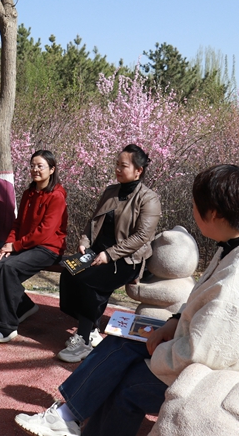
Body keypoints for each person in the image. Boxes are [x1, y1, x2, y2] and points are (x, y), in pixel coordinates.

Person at [14, 164, 239, 436]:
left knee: (126, 381)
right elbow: (205, 309)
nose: (192, 211)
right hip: (216, 351)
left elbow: (204, 354)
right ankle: (67, 416)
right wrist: (173, 322)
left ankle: (69, 418)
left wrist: (158, 349)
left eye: (195, 206)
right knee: (122, 340)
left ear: (215, 213)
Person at [57, 144, 161, 363]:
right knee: (69, 272)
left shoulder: (148, 198)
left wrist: (110, 254)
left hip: (126, 260)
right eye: (117, 164)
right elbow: (93, 222)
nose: (117, 169)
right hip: (97, 252)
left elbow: (142, 236)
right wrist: (85, 242)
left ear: (138, 170)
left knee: (88, 282)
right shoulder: (110, 192)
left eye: (123, 166)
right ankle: (91, 327)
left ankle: (83, 340)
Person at [0, 150, 68, 343]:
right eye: (32, 165)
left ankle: (8, 326)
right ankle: (24, 306)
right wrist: (9, 243)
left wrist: (15, 247)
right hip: (26, 245)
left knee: (8, 268)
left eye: (40, 166)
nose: (35, 170)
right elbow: (17, 223)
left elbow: (44, 232)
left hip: (48, 248)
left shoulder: (57, 196)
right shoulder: (28, 194)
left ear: (52, 169)